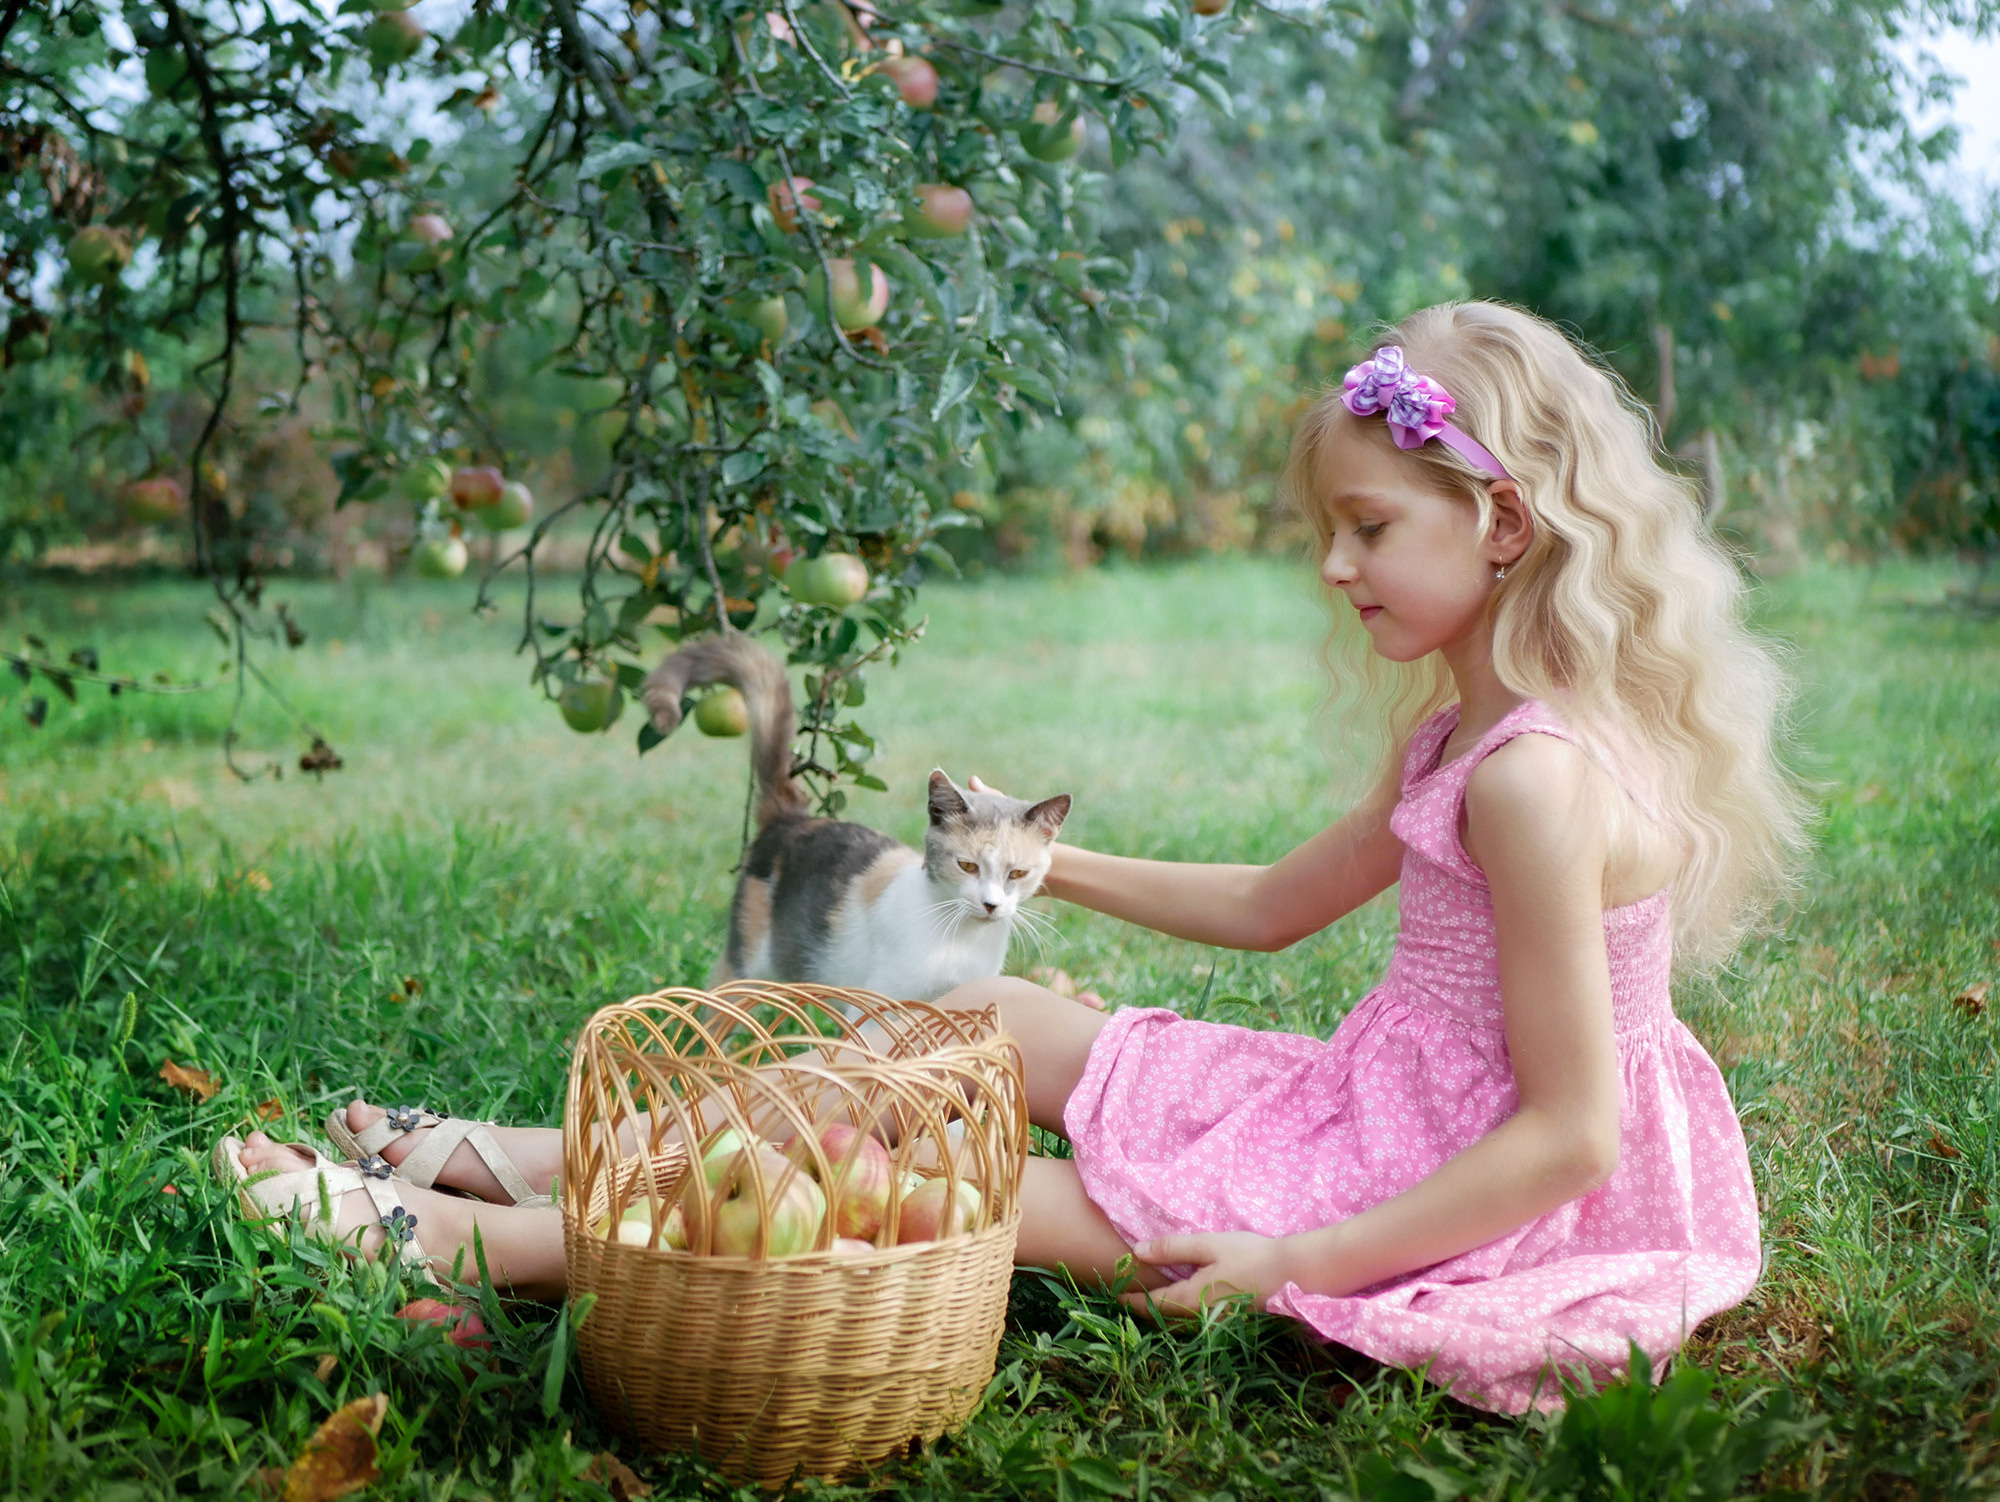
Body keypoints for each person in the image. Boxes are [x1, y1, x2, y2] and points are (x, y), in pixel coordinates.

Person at [220, 300, 1806, 1413]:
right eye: (1332, 528)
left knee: (952, 1178)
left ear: (1503, 525)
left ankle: (481, 1241)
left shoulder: (1534, 783)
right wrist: (1050, 859)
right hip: (1370, 1108)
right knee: (981, 1013)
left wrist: (1290, 1257)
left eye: (1371, 525)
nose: (1336, 563)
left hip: (1442, 1189)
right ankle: (537, 1150)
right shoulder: (1467, 734)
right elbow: (1273, 908)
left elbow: (1573, 1136)